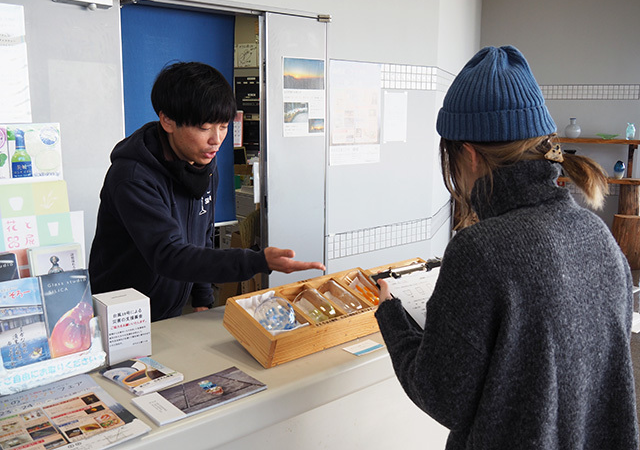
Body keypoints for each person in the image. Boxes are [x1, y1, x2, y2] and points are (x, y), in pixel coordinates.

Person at [375, 46, 639, 449]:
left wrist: (392, 316)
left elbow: (444, 397)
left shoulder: (479, 251)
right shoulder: (597, 235)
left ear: (468, 155)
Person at [89, 61, 325, 321]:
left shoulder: (203, 164)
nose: (216, 139)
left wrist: (203, 297)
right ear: (167, 120)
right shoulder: (133, 177)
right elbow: (168, 255)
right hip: (123, 314)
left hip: (172, 311)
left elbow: (201, 235)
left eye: (223, 126)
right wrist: (258, 261)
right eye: (204, 128)